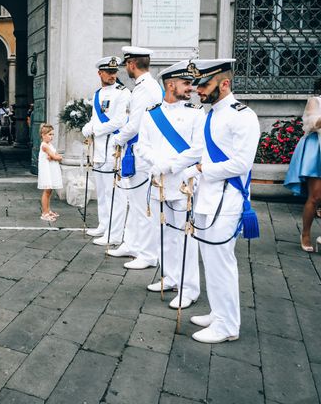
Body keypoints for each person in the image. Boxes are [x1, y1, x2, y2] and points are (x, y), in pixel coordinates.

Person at [182, 58, 260, 344]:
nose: (197, 90)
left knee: (221, 261)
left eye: (204, 84)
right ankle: (219, 313)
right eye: (197, 84)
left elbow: (241, 163)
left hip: (228, 200)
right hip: (206, 197)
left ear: (224, 83)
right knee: (210, 260)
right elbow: (201, 152)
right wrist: (189, 169)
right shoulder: (210, 114)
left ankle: (228, 325)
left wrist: (203, 170)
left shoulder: (243, 116)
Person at [137, 60, 205, 309]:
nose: (191, 88)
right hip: (158, 182)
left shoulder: (196, 113)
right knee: (163, 233)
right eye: (186, 83)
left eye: (191, 83)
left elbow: (198, 149)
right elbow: (141, 145)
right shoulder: (150, 113)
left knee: (186, 237)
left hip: (183, 184)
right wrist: (156, 162)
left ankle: (189, 289)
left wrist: (169, 164)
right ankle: (170, 277)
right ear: (170, 84)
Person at [108, 47, 164, 269]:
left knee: (143, 206)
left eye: (126, 64)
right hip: (136, 150)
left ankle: (148, 254)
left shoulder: (146, 88)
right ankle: (131, 243)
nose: (126, 68)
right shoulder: (144, 86)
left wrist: (117, 140)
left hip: (142, 151)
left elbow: (135, 124)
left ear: (132, 64)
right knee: (133, 200)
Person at [82, 56, 131, 246]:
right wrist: (88, 127)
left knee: (115, 195)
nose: (112, 75)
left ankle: (115, 233)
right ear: (100, 73)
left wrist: (95, 129)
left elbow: (120, 121)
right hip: (98, 150)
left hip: (113, 149)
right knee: (102, 191)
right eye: (108, 72)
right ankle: (104, 225)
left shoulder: (123, 92)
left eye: (114, 72)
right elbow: (96, 118)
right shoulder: (97, 94)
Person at [284, 80, 321, 252]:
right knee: (315, 197)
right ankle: (305, 233)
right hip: (317, 149)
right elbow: (310, 124)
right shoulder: (315, 101)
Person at [38, 123, 63, 221]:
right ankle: (44, 213)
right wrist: (57, 157)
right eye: (49, 134)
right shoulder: (44, 146)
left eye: (52, 134)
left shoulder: (49, 144)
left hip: (51, 169)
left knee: (50, 191)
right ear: (43, 135)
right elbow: (57, 156)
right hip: (46, 170)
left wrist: (55, 157)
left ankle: (48, 210)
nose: (52, 137)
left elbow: (55, 155)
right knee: (47, 191)